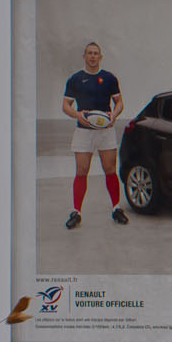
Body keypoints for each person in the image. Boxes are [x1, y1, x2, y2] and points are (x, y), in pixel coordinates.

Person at [60, 41, 126, 230]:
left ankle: (116, 209)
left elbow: (119, 102)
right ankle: (76, 212)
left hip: (106, 131)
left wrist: (114, 114)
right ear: (84, 56)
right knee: (81, 171)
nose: (92, 56)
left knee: (110, 169)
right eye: (89, 53)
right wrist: (77, 114)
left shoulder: (109, 78)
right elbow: (65, 105)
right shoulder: (75, 79)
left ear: (101, 57)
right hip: (83, 131)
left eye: (96, 53)